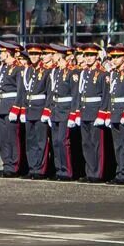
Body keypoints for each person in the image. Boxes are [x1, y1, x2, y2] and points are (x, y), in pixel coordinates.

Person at [74, 43, 109, 182]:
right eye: (86, 55)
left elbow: (105, 95)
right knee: (86, 144)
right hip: (84, 111)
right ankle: (90, 172)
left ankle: (97, 174)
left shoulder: (102, 74)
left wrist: (102, 113)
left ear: (97, 57)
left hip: (95, 112)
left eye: (91, 55)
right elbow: (79, 93)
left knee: (97, 145)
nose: (88, 58)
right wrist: (77, 112)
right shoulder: (84, 73)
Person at [44, 44, 78, 182]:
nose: (52, 56)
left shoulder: (71, 72)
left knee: (63, 142)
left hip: (65, 110)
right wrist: (50, 110)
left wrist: (73, 114)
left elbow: (75, 95)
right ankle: (59, 169)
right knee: (56, 142)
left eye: (55, 54)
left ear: (60, 55)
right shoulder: (56, 71)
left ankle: (67, 171)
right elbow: (52, 92)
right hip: (56, 110)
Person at [0, 41, 25, 178]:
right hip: (1, 105)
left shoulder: (18, 68)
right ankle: (6, 164)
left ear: (8, 52)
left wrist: (16, 108)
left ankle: (14, 166)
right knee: (3, 138)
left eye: (1, 52)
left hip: (11, 105)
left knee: (12, 138)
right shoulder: (3, 67)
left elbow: (20, 90)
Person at [23, 44, 52, 179]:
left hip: (40, 108)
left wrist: (46, 110)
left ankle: (41, 169)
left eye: (36, 54)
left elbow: (49, 92)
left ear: (40, 55)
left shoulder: (46, 71)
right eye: (31, 54)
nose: (33, 57)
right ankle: (32, 167)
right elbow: (24, 91)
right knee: (30, 140)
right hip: (29, 108)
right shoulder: (28, 70)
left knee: (41, 141)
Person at [106, 45, 124, 185]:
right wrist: (108, 114)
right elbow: (110, 95)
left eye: (117, 57)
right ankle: (120, 172)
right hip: (114, 112)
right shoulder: (113, 73)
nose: (114, 59)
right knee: (118, 145)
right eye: (112, 57)